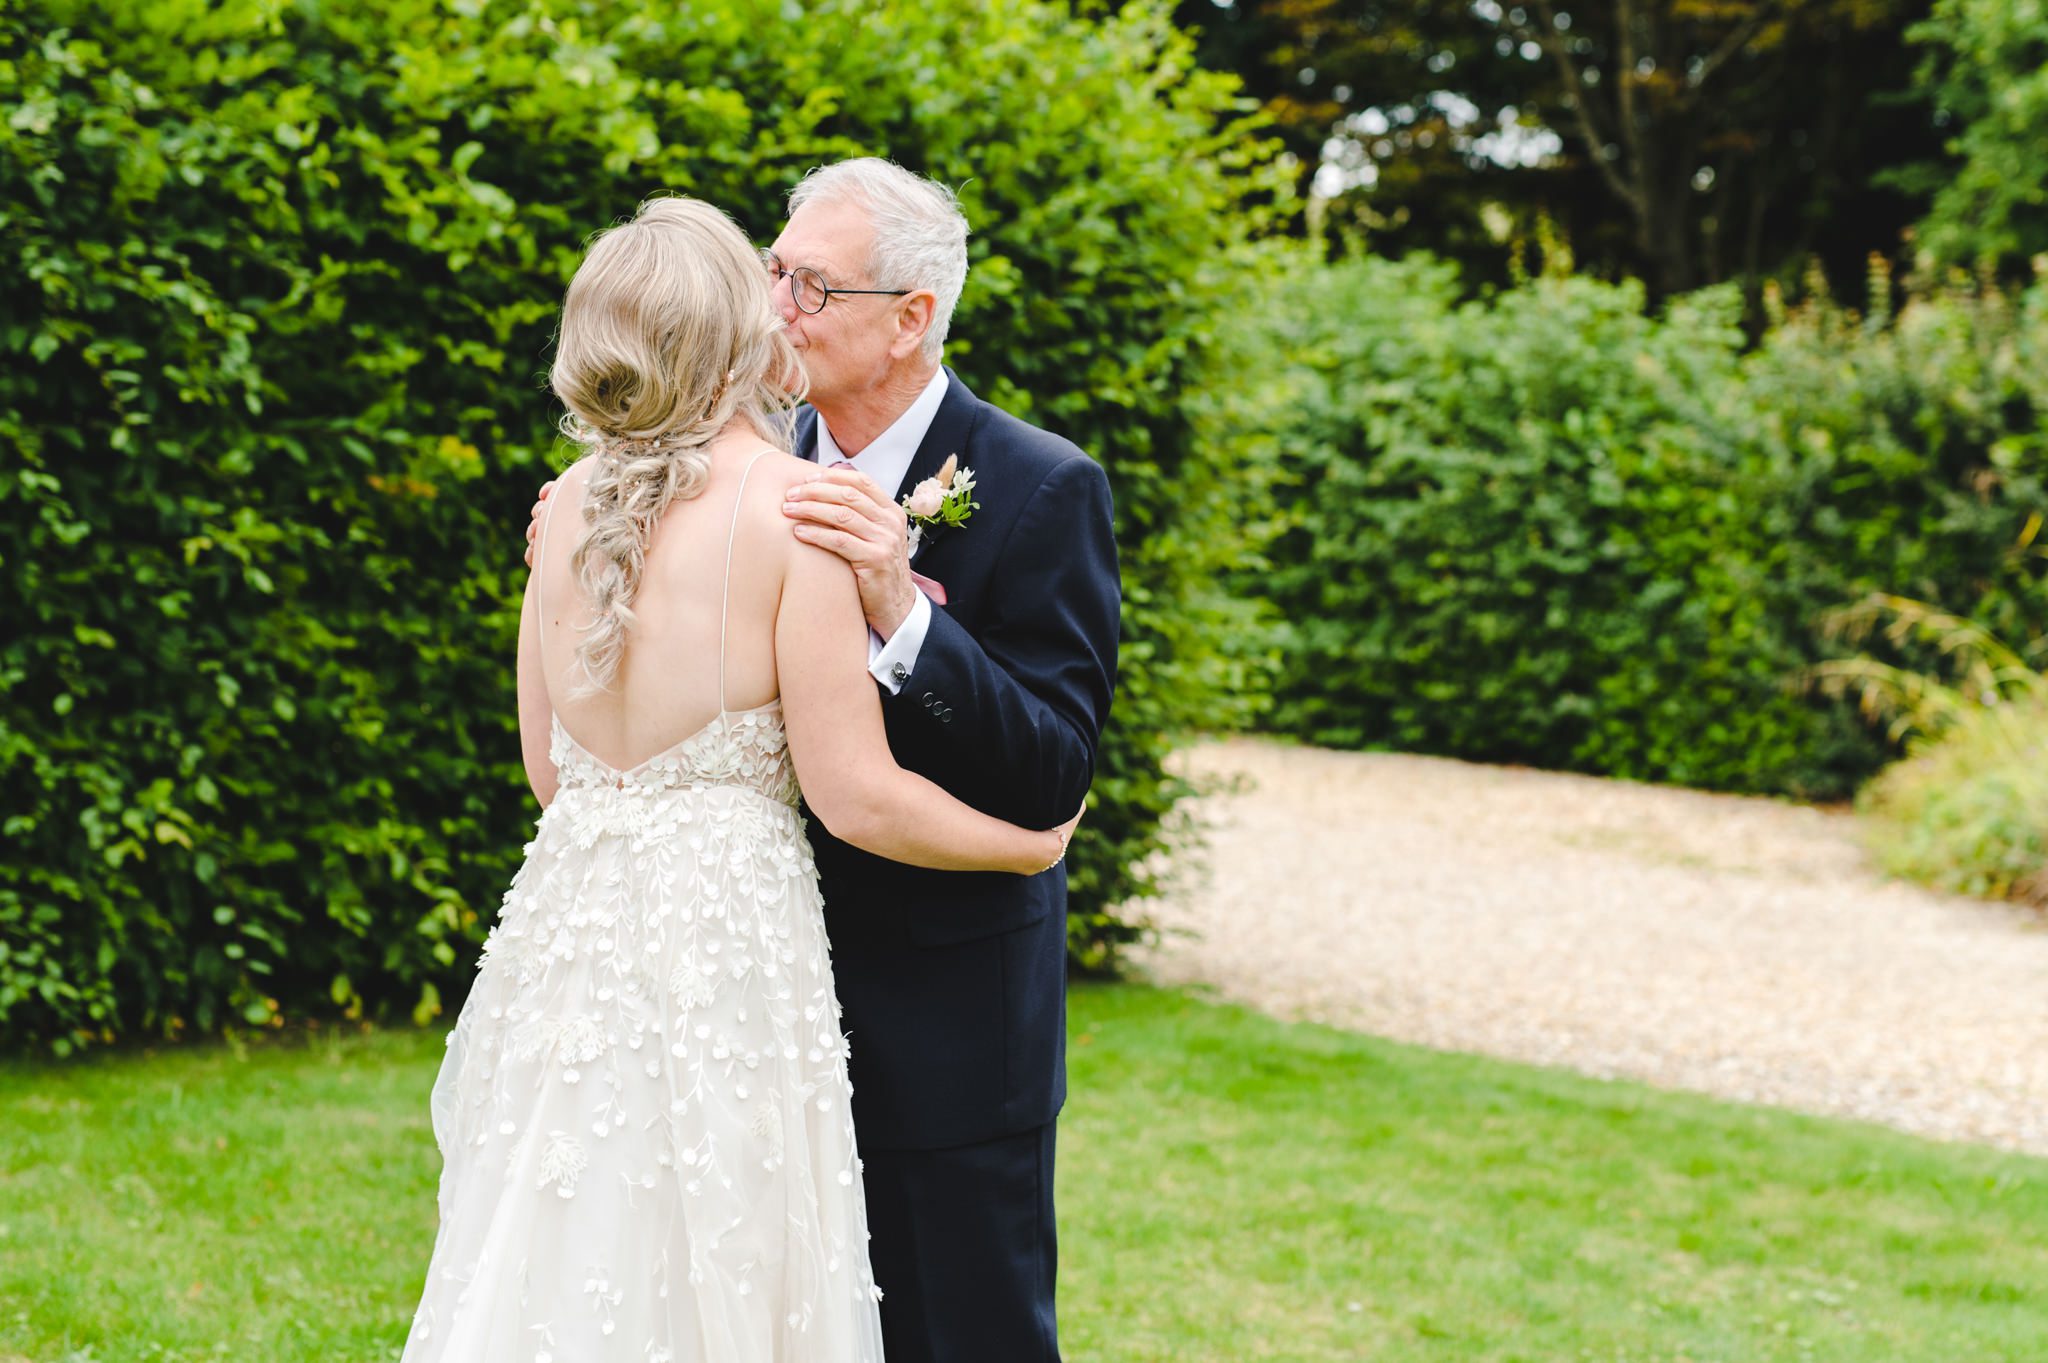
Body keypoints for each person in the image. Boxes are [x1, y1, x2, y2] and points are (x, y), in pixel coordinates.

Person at [402, 195, 1081, 1363]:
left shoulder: (565, 510)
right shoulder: (795, 511)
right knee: (732, 1264)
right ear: (729, 332)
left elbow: (548, 772)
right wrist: (1026, 844)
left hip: (576, 947)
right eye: (767, 281)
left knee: (567, 1252)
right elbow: (852, 795)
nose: (784, 306)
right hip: (733, 961)